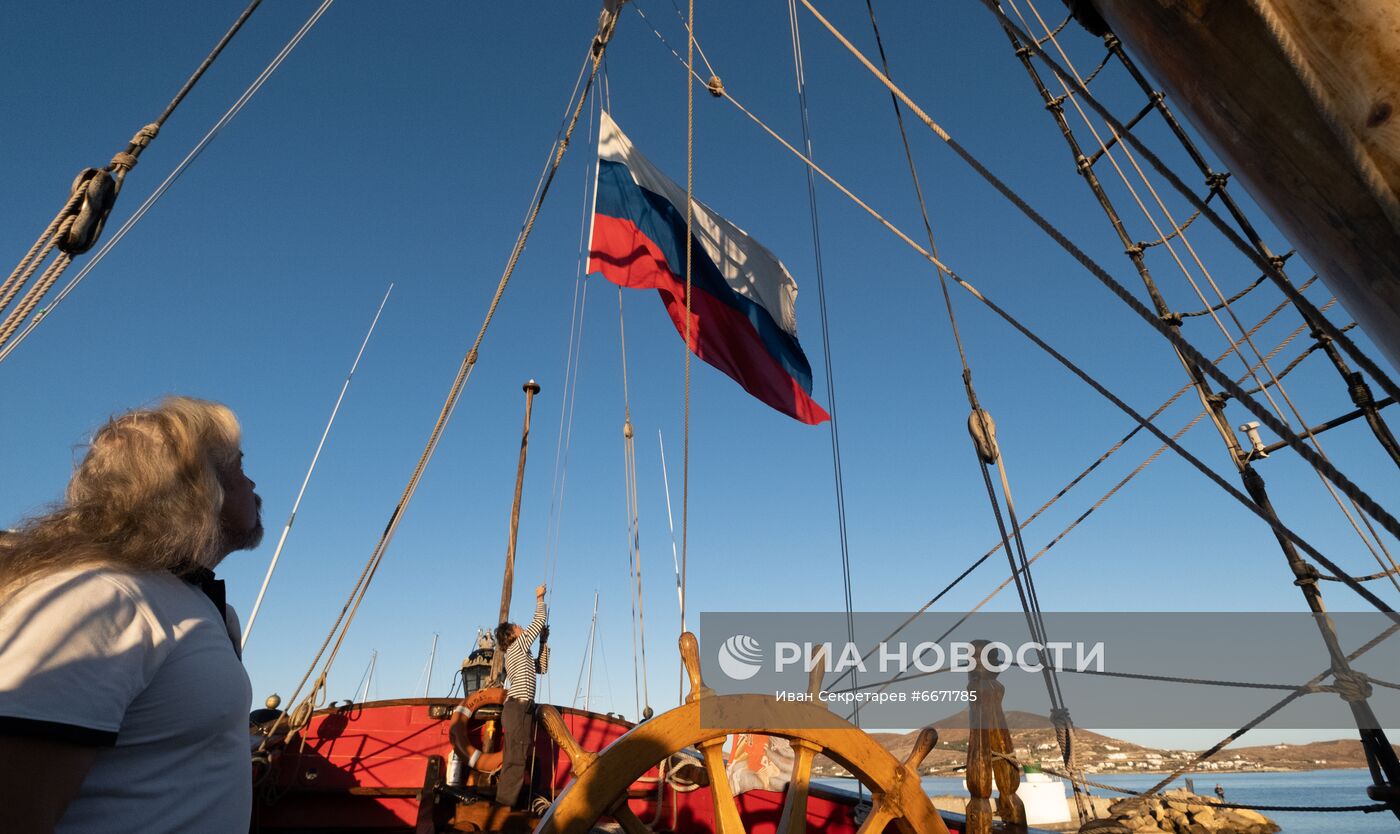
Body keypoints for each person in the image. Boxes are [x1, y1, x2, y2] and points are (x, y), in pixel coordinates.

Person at [0, 397, 262, 834]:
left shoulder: (192, 601)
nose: (253, 482)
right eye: (238, 465)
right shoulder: (98, 598)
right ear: (198, 484)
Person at [494, 583, 550, 810]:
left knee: (517, 757)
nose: (520, 626)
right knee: (516, 759)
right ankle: (503, 808)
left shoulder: (522, 652)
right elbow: (536, 624)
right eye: (516, 626)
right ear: (512, 636)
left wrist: (544, 643)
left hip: (522, 710)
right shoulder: (515, 649)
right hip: (518, 709)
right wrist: (539, 599)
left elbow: (542, 668)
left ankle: (507, 805)